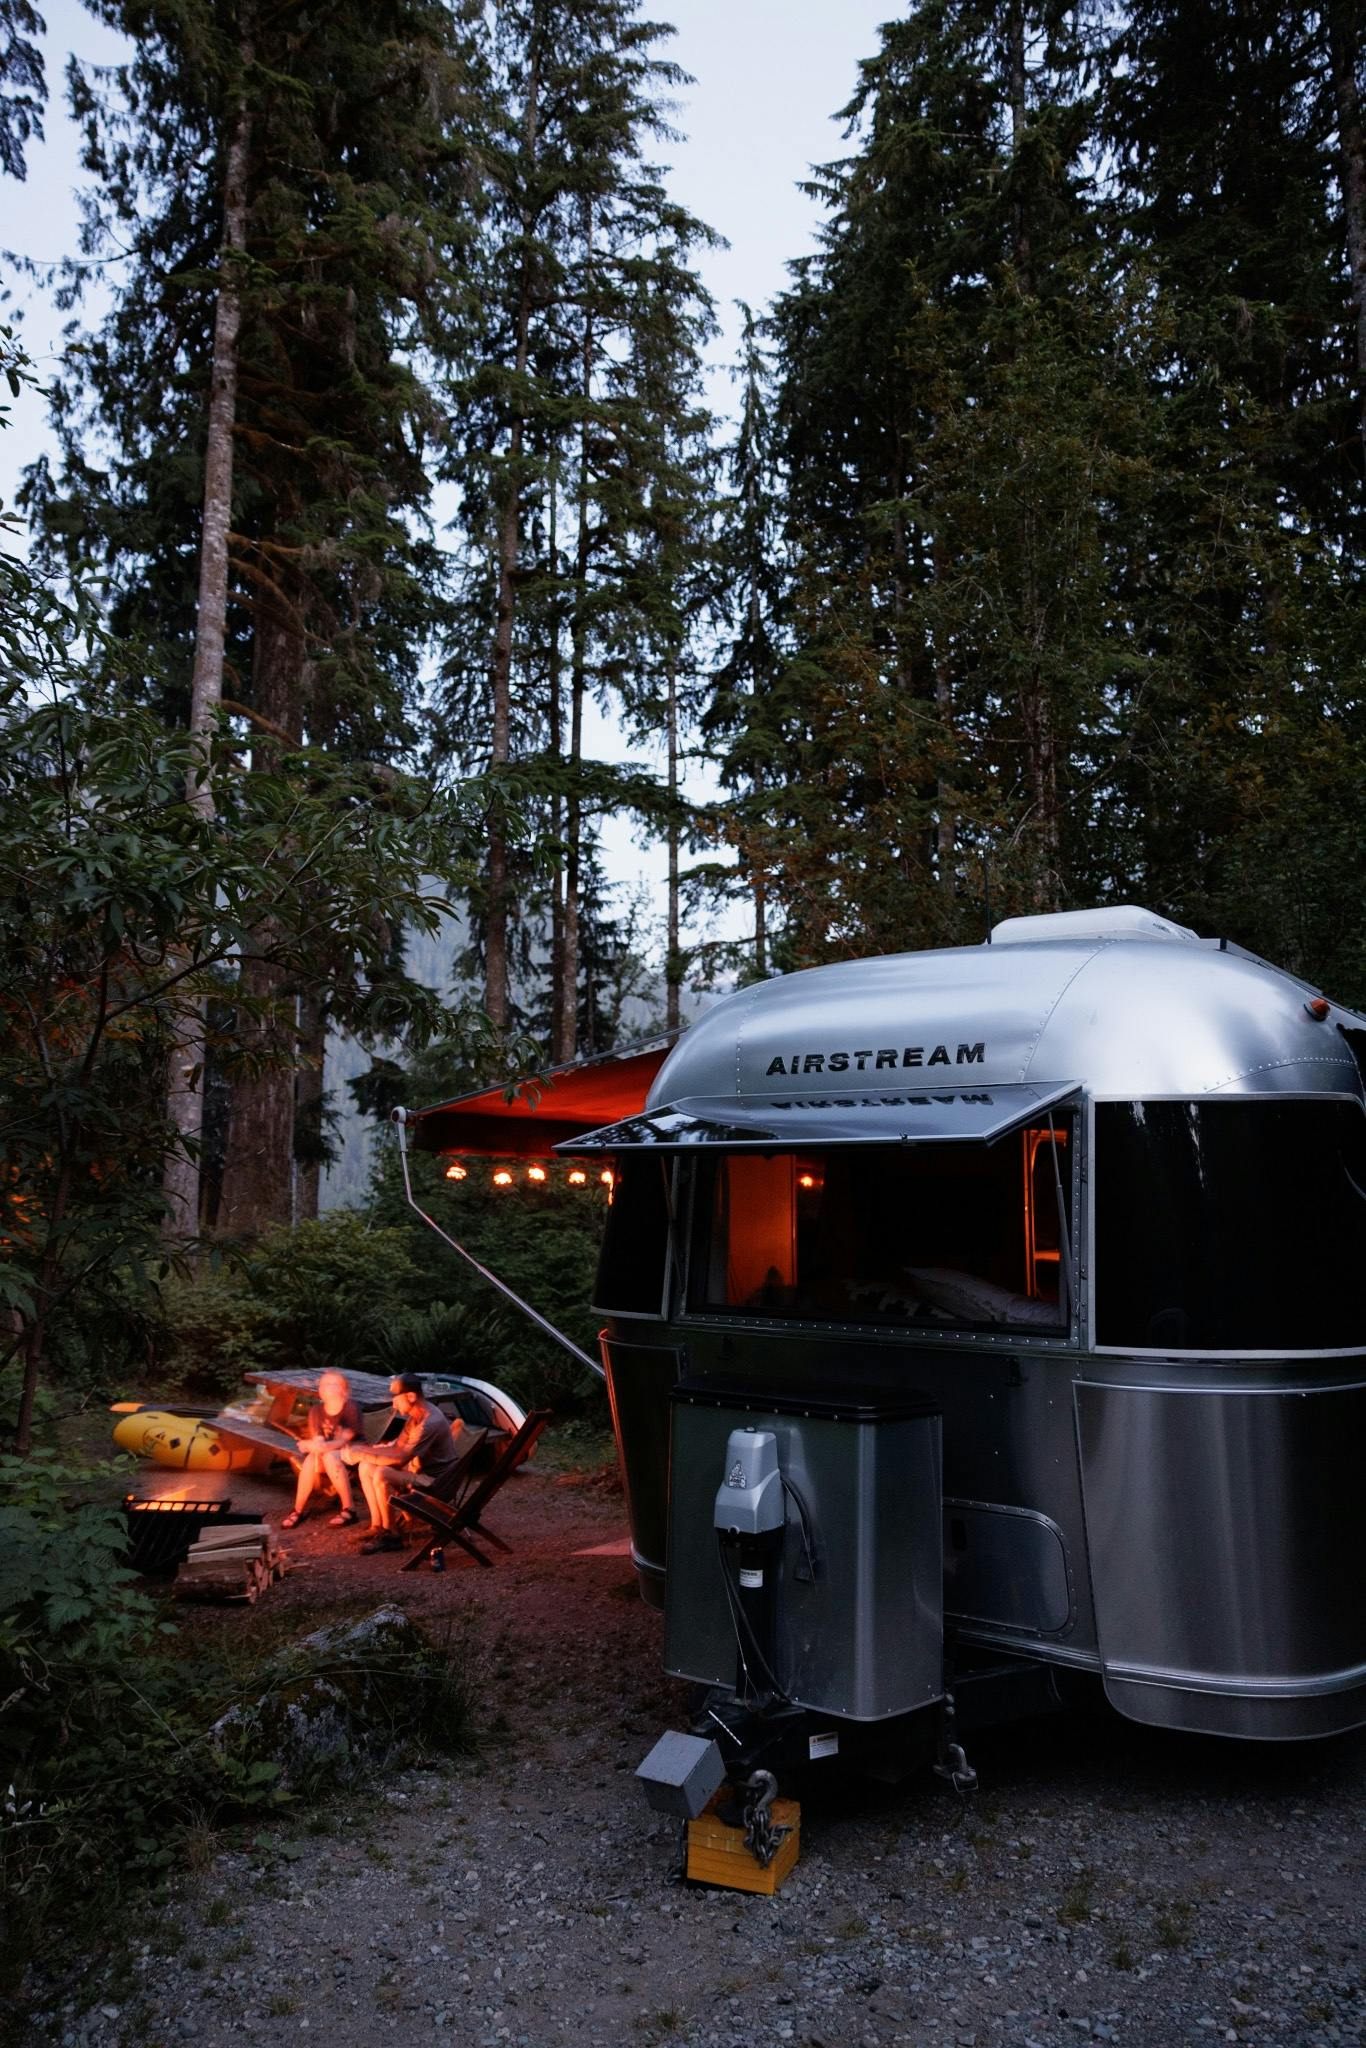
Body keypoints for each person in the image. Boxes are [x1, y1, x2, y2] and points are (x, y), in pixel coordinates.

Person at [343, 1373, 462, 1554]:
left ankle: (392, 1536)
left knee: (382, 1473)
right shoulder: (416, 1416)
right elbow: (398, 1448)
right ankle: (378, 1526)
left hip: (437, 1483)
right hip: (422, 1474)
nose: (393, 1404)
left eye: (396, 1399)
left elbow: (400, 1459)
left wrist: (362, 1454)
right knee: (366, 1467)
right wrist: (364, 1452)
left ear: (411, 1397)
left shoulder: (429, 1422)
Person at [281, 1371, 364, 1529]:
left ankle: (349, 1509)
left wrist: (317, 1446)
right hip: (328, 1454)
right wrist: (314, 1446)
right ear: (319, 1390)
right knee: (312, 1459)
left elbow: (344, 1440)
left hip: (354, 1452)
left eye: (334, 1384)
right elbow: (318, 1439)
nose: (329, 1388)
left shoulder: (351, 1407)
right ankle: (298, 1510)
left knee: (329, 1456)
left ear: (344, 1390)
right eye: (325, 1384)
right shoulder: (316, 1411)